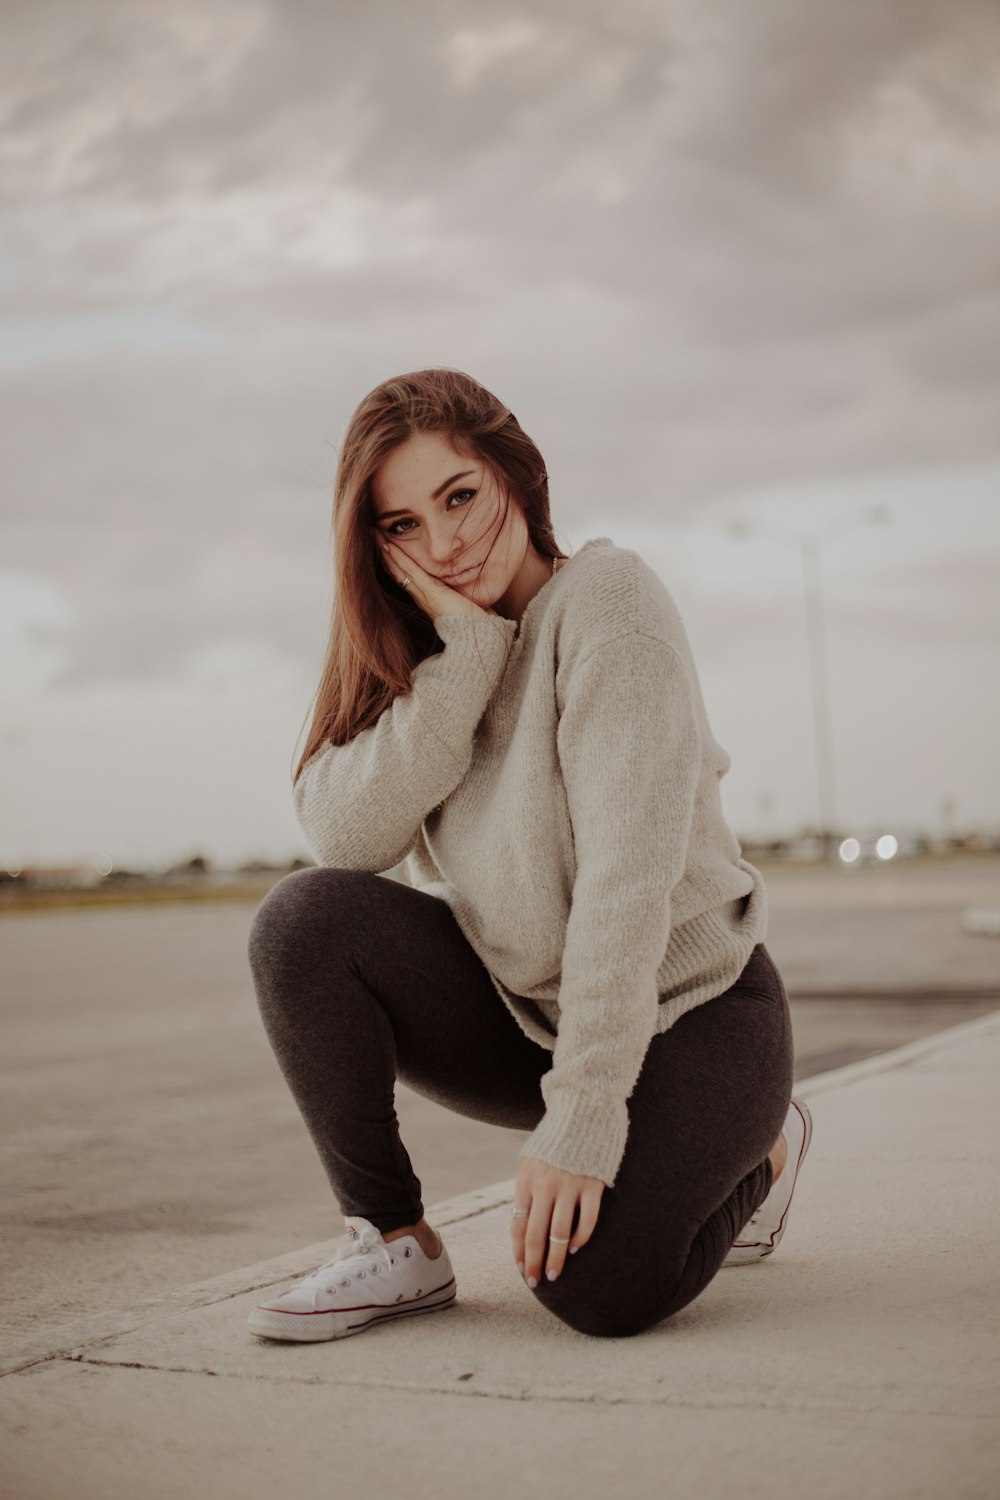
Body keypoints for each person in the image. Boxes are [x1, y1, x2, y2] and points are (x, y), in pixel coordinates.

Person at [246, 367, 813, 1344]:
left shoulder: (609, 605)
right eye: (402, 525)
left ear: (514, 474)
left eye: (459, 497)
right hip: (530, 1015)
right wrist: (465, 661)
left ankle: (760, 1153)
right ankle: (394, 1243)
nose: (445, 542)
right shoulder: (431, 655)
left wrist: (585, 1117)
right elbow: (344, 837)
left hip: (695, 1016)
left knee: (594, 1288)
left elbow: (624, 884)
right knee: (303, 922)